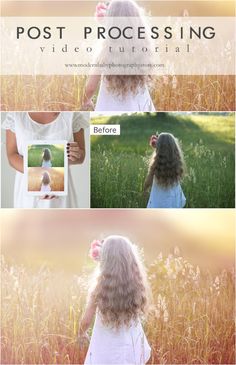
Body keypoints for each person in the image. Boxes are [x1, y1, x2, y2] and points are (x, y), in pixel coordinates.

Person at [78, 235, 151, 364]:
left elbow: (86, 320)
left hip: (105, 347)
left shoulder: (99, 288)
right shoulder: (136, 286)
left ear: (105, 259)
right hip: (130, 345)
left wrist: (81, 333)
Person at [2, 112, 89, 208]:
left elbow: (81, 156)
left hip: (60, 193)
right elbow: (12, 155)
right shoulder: (16, 115)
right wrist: (41, 178)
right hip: (28, 194)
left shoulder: (72, 114)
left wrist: (75, 154)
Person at [82, 0, 155, 112]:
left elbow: (91, 87)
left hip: (109, 109)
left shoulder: (104, 50)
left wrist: (86, 101)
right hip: (141, 107)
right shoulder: (144, 47)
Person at [144, 133, 186, 208]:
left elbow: (147, 183)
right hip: (173, 202)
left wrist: (145, 190)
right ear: (175, 148)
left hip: (158, 203)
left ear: (158, 148)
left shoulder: (155, 166)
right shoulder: (176, 165)